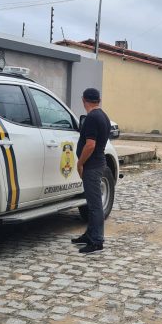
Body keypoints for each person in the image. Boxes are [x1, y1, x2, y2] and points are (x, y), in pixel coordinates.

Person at [71, 88, 111, 254]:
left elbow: (90, 145)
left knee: (94, 206)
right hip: (97, 164)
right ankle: (90, 235)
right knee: (91, 203)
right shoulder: (103, 116)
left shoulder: (92, 118)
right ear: (99, 100)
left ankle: (97, 241)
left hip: (92, 166)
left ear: (83, 100)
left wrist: (80, 163)